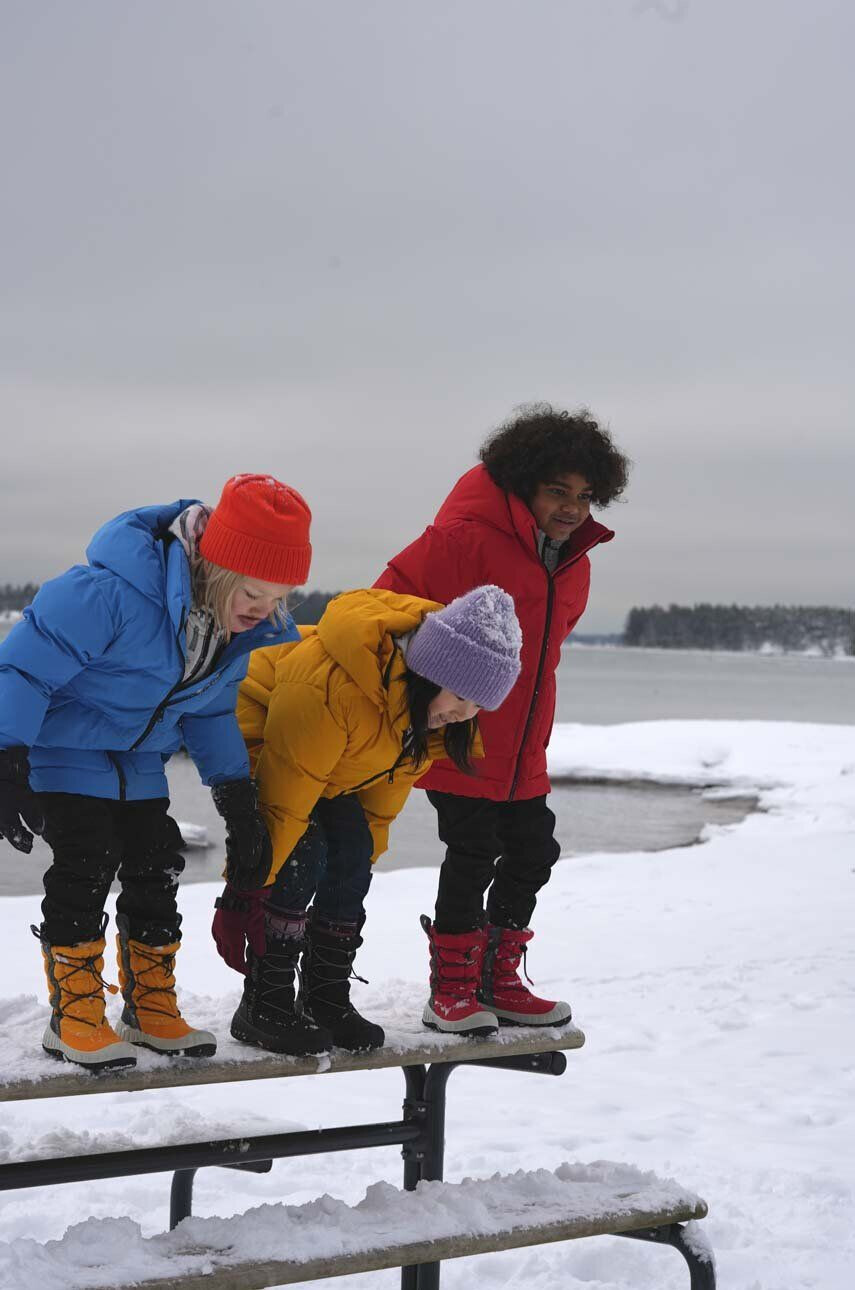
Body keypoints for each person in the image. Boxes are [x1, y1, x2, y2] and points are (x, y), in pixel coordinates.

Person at [0, 473, 312, 1071]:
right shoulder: (106, 594)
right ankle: (77, 1014)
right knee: (85, 864)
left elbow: (210, 711)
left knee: (157, 863)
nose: (265, 609)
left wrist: (234, 794)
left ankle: (150, 1006)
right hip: (65, 756)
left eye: (278, 598)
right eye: (254, 591)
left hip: (140, 765)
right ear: (217, 568)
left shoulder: (225, 630)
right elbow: (22, 669)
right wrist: (7, 756)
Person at [375, 404, 629, 1033]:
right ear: (522, 484)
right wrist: (427, 695)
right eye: (557, 491)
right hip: (463, 733)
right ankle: (452, 990)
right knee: (473, 850)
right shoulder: (461, 539)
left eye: (585, 495)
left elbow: (549, 650)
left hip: (525, 746)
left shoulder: (574, 560)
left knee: (534, 849)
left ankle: (498, 975)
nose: (572, 508)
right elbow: (384, 607)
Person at [212, 583, 522, 1055]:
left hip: (328, 759)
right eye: (460, 695)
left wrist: (353, 876)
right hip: (258, 730)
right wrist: (245, 890)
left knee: (352, 849)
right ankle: (264, 999)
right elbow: (285, 802)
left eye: (479, 705)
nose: (464, 714)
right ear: (428, 671)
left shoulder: (422, 715)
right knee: (303, 849)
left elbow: (379, 804)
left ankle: (325, 995)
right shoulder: (336, 685)